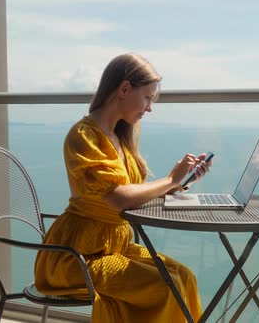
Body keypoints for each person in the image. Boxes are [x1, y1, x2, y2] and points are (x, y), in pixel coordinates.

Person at [34, 53, 210, 322]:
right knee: (163, 286)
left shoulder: (119, 137)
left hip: (115, 247)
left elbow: (134, 196)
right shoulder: (84, 136)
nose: (149, 107)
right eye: (148, 98)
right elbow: (118, 199)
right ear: (125, 89)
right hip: (78, 256)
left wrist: (183, 182)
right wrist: (170, 180)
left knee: (183, 276)